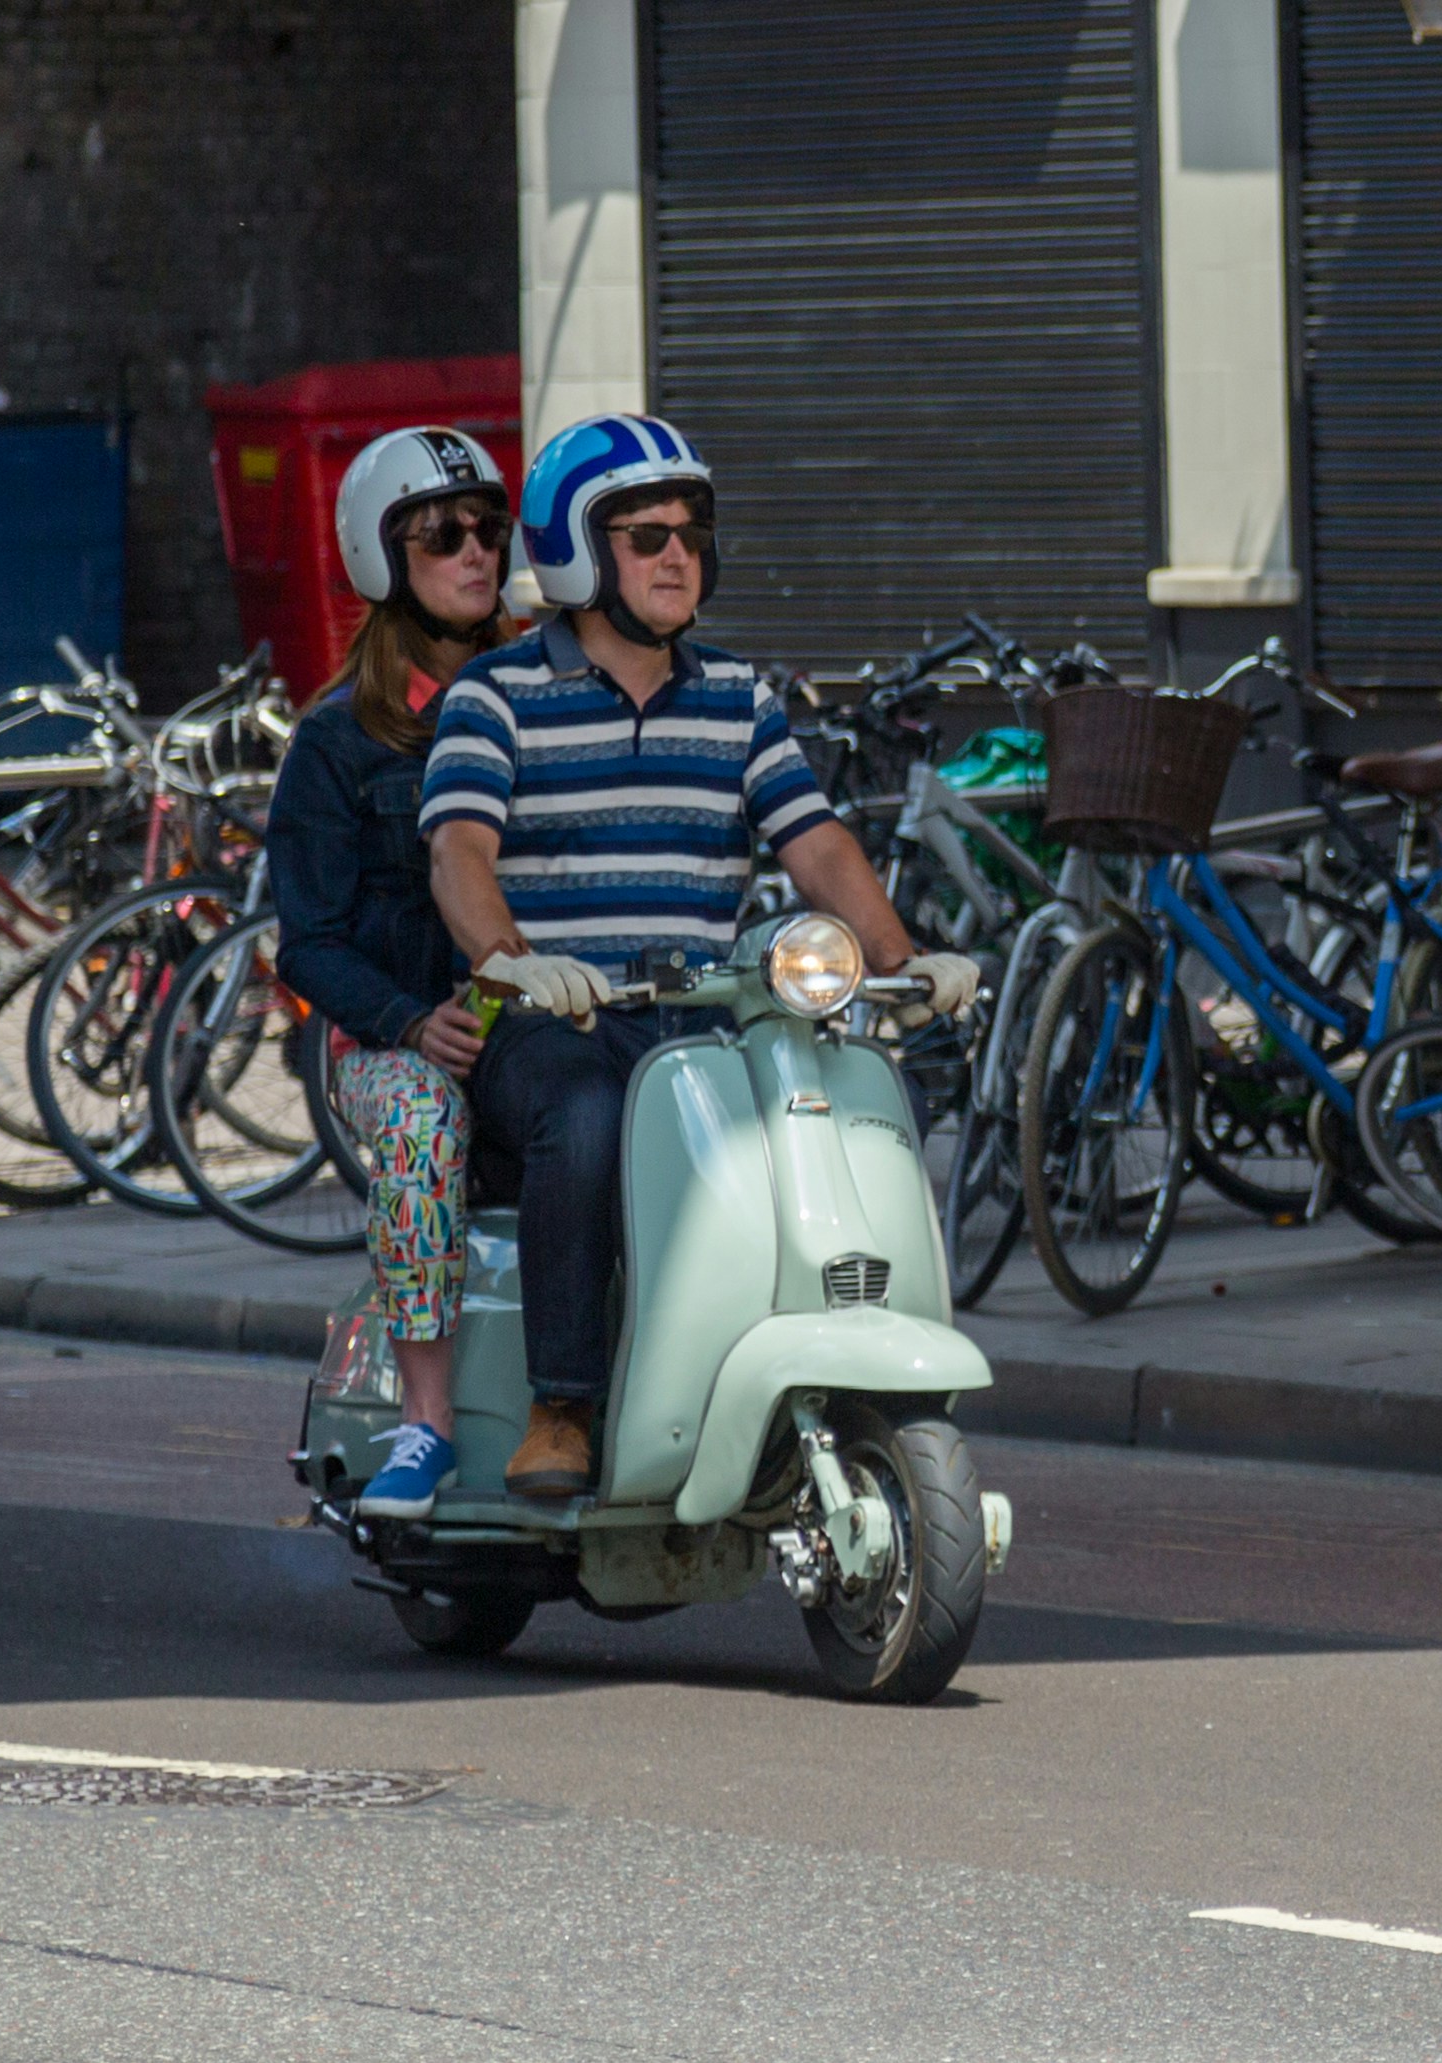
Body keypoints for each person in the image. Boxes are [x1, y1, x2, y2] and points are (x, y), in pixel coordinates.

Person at [418, 413, 979, 1501]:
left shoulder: (737, 695)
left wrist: (912, 961)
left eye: (692, 531)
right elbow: (458, 853)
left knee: (825, 1105)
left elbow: (814, 842)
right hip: (553, 1022)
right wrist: (513, 963)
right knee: (584, 1117)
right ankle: (564, 1406)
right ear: (581, 552)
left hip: (702, 1019)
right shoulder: (497, 698)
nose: (679, 554)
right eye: (645, 535)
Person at [268, 426, 513, 1518]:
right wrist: (414, 1024)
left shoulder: (538, 702)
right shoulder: (336, 744)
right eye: (441, 535)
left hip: (526, 1020)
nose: (476, 553)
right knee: (420, 1122)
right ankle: (426, 1425)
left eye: (489, 530)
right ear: (381, 560)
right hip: (383, 1045)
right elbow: (308, 942)